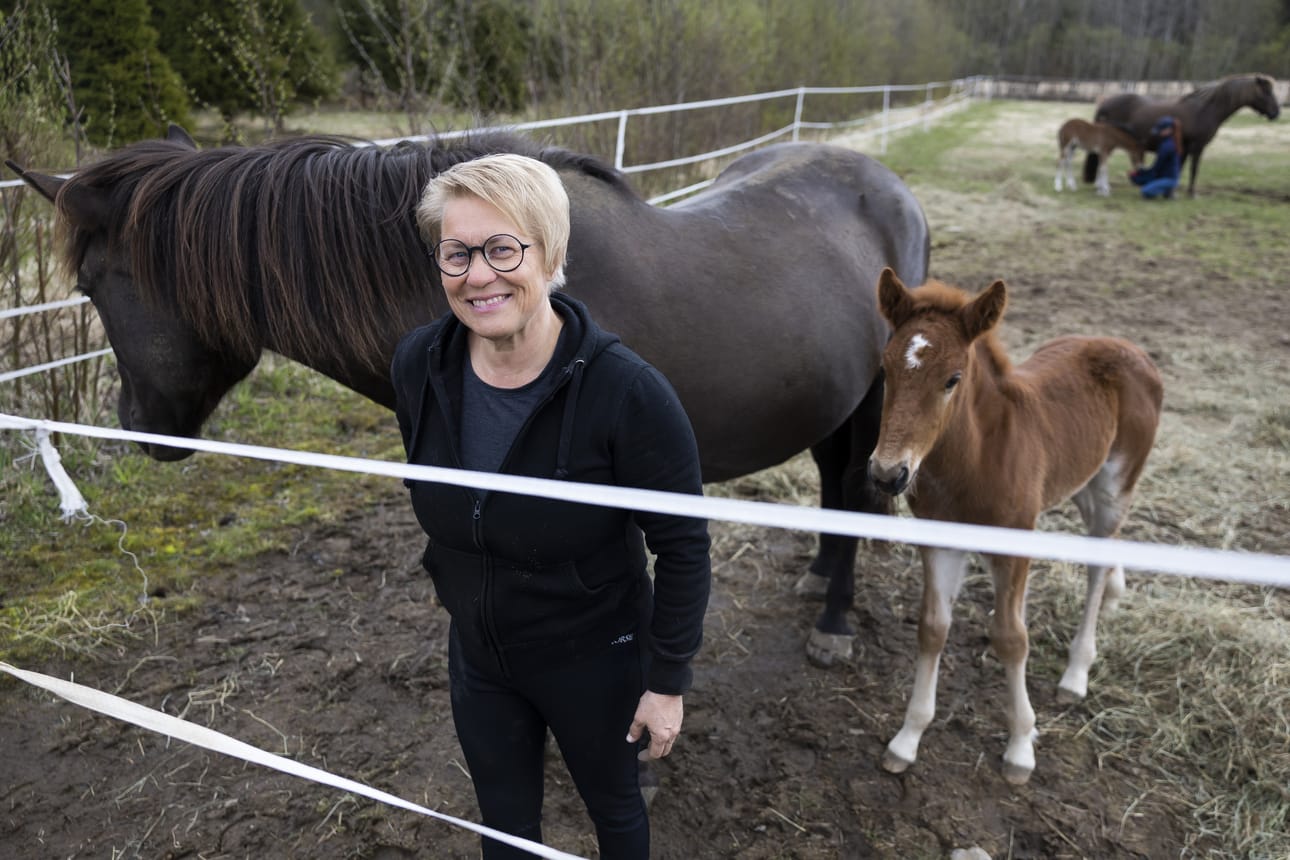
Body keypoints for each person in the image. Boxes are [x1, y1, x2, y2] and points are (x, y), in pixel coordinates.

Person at [390, 152, 712, 860]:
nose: (478, 275)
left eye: (503, 249)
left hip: (595, 655)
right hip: (479, 654)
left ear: (553, 253)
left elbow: (684, 544)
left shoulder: (627, 393)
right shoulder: (418, 367)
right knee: (504, 828)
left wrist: (666, 683)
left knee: (615, 811)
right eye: (456, 253)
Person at [1129, 115, 1183, 200]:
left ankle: (1168, 189)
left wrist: (1141, 173)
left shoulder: (1167, 146)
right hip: (1165, 176)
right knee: (1144, 180)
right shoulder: (1168, 142)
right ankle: (1167, 191)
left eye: (1160, 130)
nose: (1158, 133)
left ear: (1168, 130)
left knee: (1145, 191)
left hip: (1169, 179)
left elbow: (1157, 168)